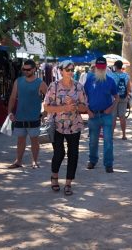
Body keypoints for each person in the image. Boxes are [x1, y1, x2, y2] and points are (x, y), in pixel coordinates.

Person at [43, 60, 88, 196]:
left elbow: (84, 107)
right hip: (57, 126)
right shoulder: (54, 86)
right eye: (67, 69)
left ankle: (68, 183)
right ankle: (54, 177)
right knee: (59, 153)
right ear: (61, 71)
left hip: (74, 125)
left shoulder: (79, 87)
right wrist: (64, 107)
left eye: (72, 69)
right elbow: (46, 107)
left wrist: (74, 104)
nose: (70, 72)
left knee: (73, 154)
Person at [7, 59, 48, 169]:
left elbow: (49, 98)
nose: (25, 71)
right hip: (19, 117)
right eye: (24, 69)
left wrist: (46, 112)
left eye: (28, 69)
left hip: (34, 117)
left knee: (34, 140)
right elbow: (12, 97)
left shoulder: (40, 83)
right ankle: (18, 161)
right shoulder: (18, 81)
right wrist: (9, 112)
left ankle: (34, 161)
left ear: (34, 69)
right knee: (20, 140)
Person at [84, 56, 119, 173]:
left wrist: (111, 108)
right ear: (95, 67)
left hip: (106, 115)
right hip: (93, 115)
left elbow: (117, 97)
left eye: (102, 67)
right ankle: (92, 160)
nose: (100, 69)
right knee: (93, 141)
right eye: (98, 67)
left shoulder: (110, 81)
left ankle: (109, 164)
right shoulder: (89, 80)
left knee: (108, 140)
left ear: (105, 67)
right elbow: (83, 97)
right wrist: (87, 111)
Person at [111, 60, 131, 140]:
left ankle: (111, 135)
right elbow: (129, 88)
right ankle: (124, 135)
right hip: (123, 97)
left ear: (115, 66)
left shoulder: (111, 75)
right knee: (122, 117)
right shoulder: (126, 75)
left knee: (113, 117)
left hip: (114, 98)